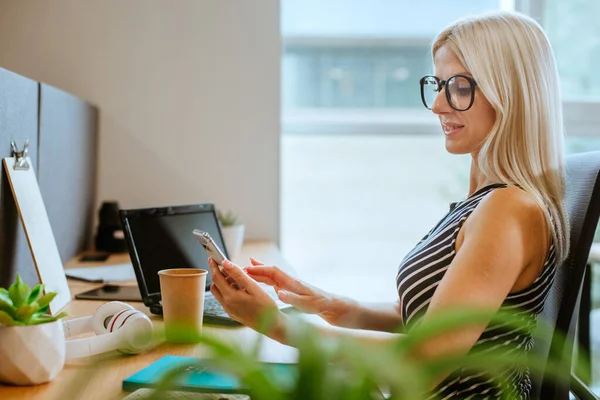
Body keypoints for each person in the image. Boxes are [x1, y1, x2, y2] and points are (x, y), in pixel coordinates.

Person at [208, 10, 569, 399]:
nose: (437, 105)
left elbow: (421, 364)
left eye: (459, 87)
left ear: (509, 92)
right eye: (438, 84)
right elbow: (425, 318)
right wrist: (335, 305)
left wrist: (275, 324)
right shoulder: (486, 202)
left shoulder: (508, 209)